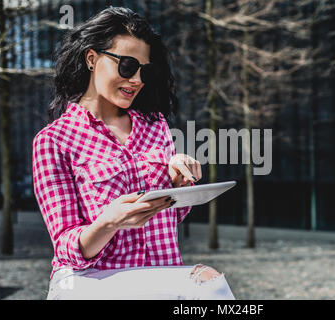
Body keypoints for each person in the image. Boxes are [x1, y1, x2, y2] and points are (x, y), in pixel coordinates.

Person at [32, 6, 235, 300]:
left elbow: (169, 220)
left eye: (144, 70)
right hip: (87, 280)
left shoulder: (156, 127)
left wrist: (179, 183)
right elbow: (67, 247)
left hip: (160, 277)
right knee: (208, 285)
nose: (137, 79)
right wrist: (110, 221)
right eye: (127, 66)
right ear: (92, 59)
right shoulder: (54, 141)